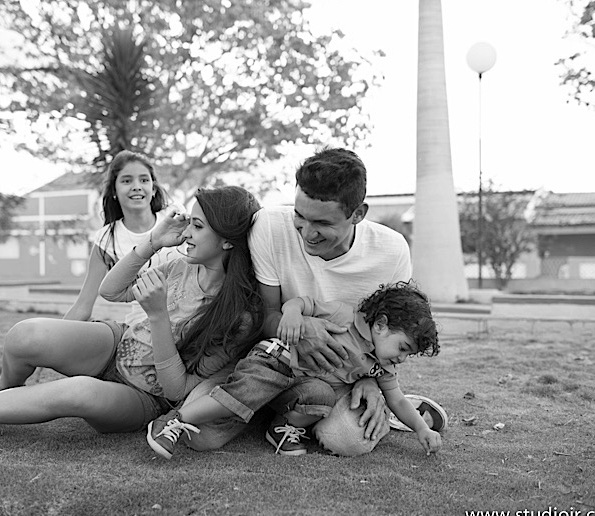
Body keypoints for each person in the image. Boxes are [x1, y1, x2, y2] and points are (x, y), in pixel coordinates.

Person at [0, 186, 264, 445]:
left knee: (77, 392)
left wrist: (158, 318)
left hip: (144, 396)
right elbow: (111, 290)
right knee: (26, 334)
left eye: (197, 226)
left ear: (227, 240)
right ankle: (2, 383)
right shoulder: (179, 264)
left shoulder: (238, 316)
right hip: (115, 343)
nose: (187, 232)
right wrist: (152, 241)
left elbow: (178, 391)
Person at [183, 147, 440, 457]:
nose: (307, 232)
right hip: (275, 358)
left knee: (348, 438)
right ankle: (271, 408)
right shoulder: (270, 225)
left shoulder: (392, 251)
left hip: (338, 377)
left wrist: (372, 382)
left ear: (358, 214)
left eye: (322, 223)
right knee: (200, 434)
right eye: (300, 215)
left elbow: (393, 334)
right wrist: (301, 331)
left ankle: (283, 415)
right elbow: (266, 315)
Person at [147, 281, 442, 459]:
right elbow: (303, 303)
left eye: (409, 354)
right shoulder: (344, 317)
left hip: (301, 386)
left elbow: (397, 400)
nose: (402, 358)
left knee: (322, 397)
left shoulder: (382, 367)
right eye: (403, 348)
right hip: (277, 361)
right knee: (246, 392)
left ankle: (281, 428)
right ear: (381, 324)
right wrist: (290, 314)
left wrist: (422, 428)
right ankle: (173, 421)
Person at [65, 149, 178, 323]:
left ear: (154, 188)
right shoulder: (106, 239)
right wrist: (57, 333)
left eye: (144, 180)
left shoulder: (174, 216)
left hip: (187, 314)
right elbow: (83, 306)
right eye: (126, 181)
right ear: (114, 191)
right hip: (143, 324)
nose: (137, 186)